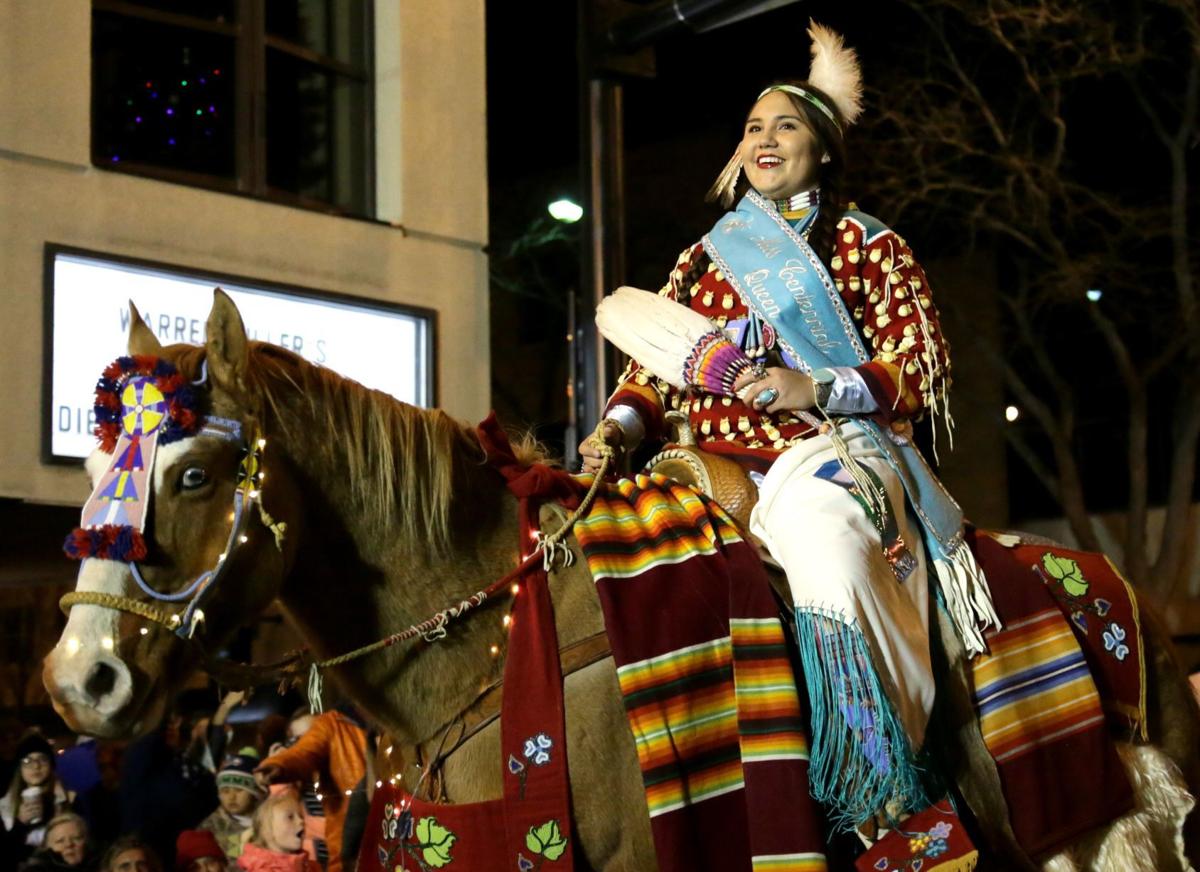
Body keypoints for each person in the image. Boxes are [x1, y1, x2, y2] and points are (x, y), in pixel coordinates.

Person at [581, 21, 999, 842]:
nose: (764, 138)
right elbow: (652, 374)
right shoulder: (705, 260)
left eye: (787, 124)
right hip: (700, 464)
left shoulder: (868, 244)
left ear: (826, 149)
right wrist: (618, 428)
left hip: (838, 454)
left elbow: (919, 362)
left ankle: (882, 789)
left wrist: (821, 385)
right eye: (752, 126)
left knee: (823, 542)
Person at [254, 709, 365, 872]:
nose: (309, 742)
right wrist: (278, 764)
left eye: (313, 734)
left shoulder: (337, 774)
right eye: (298, 739)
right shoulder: (296, 787)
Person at [2, 732, 75, 867]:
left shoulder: (69, 799)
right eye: (27, 761)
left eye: (42, 759)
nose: (36, 766)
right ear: (20, 768)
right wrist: (20, 824)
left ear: (51, 764)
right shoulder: (4, 806)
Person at [198, 751, 262, 862]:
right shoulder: (209, 830)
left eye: (239, 790)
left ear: (254, 793)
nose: (232, 797)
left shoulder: (269, 818)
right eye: (225, 791)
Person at [235, 791, 320, 872]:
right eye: (290, 817)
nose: (301, 821)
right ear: (267, 831)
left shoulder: (309, 867)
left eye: (301, 816)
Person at [18, 812, 95, 871]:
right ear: (46, 847)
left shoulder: (102, 866)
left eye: (76, 838)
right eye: (60, 841)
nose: (68, 844)